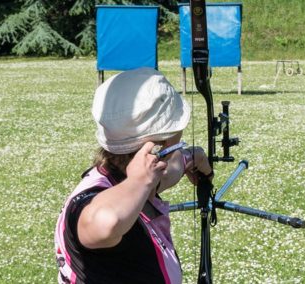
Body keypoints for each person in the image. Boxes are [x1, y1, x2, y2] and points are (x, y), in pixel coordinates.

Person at [54, 68, 213, 284]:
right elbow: (104, 223)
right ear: (160, 145)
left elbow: (163, 176)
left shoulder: (128, 179)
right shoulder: (90, 202)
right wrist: (140, 182)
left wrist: (189, 157)